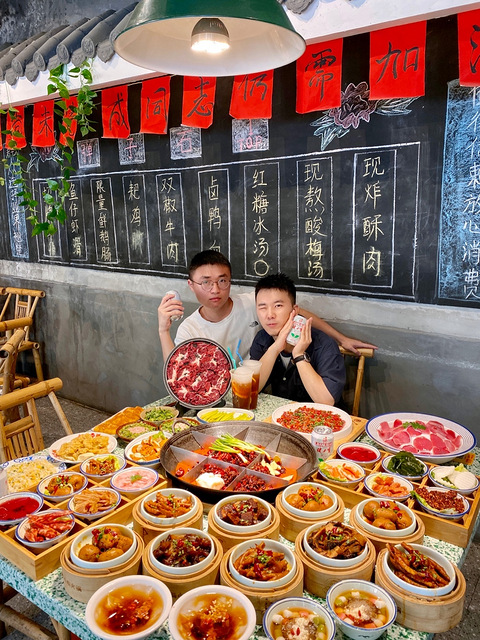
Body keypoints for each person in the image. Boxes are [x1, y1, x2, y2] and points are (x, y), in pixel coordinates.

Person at [158, 250, 377, 362]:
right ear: (191, 285)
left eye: (222, 280)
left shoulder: (253, 304)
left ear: (230, 281)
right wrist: (163, 331)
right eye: (206, 282)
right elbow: (176, 372)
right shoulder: (190, 328)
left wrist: (341, 338)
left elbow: (297, 314)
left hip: (258, 389)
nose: (215, 289)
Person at [250, 273, 345, 404]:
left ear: (294, 310)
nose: (270, 315)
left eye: (278, 306)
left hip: (320, 416)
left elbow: (326, 401)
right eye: (262, 307)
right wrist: (276, 347)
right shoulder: (262, 339)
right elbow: (251, 389)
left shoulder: (323, 344)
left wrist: (299, 355)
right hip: (282, 414)